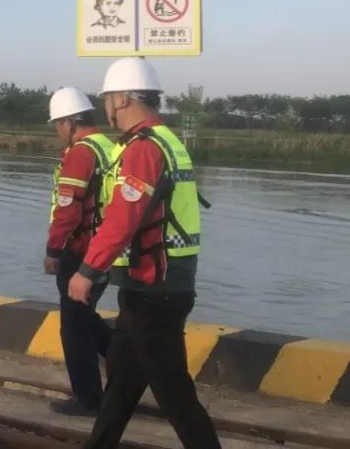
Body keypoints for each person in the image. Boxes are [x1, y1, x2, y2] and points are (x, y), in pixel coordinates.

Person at [67, 57, 219, 449]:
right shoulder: (166, 141)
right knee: (120, 387)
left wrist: (87, 271)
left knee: (175, 396)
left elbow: (123, 218)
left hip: (156, 290)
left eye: (108, 98)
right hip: (149, 288)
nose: (106, 107)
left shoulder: (145, 148)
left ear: (122, 99)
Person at [45, 87, 115, 416]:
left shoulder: (81, 153)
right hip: (108, 248)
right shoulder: (109, 147)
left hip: (82, 251)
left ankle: (88, 399)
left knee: (74, 327)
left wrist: (53, 250)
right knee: (84, 317)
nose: (57, 132)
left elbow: (68, 210)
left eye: (58, 125)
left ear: (70, 123)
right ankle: (128, 362)